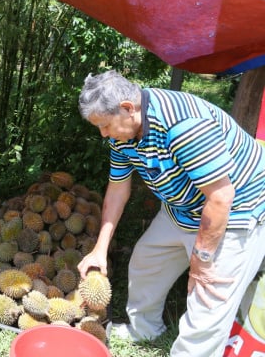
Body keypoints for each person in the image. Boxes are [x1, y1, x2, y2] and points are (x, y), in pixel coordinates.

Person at [76, 70, 265, 356]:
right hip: (182, 207)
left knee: (208, 298)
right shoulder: (122, 135)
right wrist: (100, 249)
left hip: (237, 211)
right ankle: (145, 329)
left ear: (128, 109)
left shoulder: (184, 125)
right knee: (145, 263)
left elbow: (221, 197)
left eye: (105, 125)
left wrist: (201, 260)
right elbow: (117, 189)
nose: (104, 134)